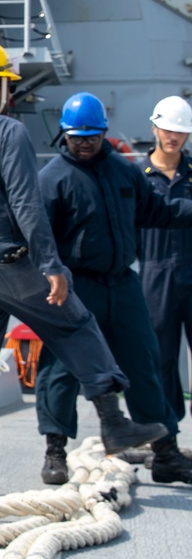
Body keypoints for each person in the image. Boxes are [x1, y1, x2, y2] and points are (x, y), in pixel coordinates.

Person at [0, 45, 167, 494]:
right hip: (6, 261)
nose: (10, 95)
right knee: (75, 325)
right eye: (7, 86)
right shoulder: (6, 131)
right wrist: (51, 265)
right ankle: (115, 423)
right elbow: (26, 206)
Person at [36, 92, 192, 487]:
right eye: (76, 137)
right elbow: (39, 239)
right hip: (74, 287)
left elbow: (156, 211)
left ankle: (167, 453)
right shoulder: (52, 179)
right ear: (64, 135)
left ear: (103, 132)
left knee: (145, 363)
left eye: (92, 136)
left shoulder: (124, 172)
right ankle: (55, 451)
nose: (85, 143)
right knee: (61, 370)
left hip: (123, 285)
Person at [139, 96, 192, 427]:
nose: (173, 137)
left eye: (181, 132)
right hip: (154, 276)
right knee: (161, 358)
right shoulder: (136, 176)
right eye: (168, 129)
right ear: (155, 127)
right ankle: (167, 434)